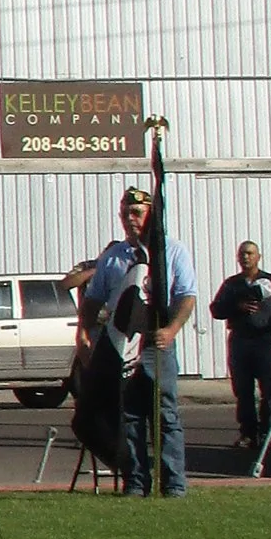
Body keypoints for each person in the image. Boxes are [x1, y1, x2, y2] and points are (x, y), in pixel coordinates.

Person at [72, 183, 196, 498]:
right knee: (129, 415)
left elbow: (186, 297)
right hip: (122, 345)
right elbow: (92, 302)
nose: (131, 219)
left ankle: (174, 484)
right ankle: (136, 481)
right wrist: (83, 335)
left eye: (138, 213)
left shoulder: (172, 252)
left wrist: (172, 330)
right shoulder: (114, 257)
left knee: (165, 414)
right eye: (126, 213)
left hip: (157, 343)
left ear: (151, 215)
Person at [210, 241, 271, 453]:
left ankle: (267, 432)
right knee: (243, 390)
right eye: (242, 254)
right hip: (240, 341)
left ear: (258, 256)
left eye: (249, 253)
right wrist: (236, 307)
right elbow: (216, 309)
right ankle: (248, 432)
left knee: (268, 389)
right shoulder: (232, 284)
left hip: (264, 342)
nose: (245, 257)